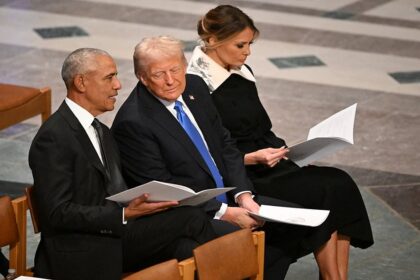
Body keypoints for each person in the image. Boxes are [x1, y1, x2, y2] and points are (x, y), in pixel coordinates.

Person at [112, 35, 331, 280]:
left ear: (184, 66)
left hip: (232, 196)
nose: (171, 80)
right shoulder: (133, 122)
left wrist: (244, 196)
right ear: (142, 77)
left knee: (302, 226)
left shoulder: (194, 86)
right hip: (195, 213)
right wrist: (224, 212)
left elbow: (225, 145)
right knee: (239, 244)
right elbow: (165, 189)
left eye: (175, 70)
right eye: (158, 74)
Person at [187, 4, 374, 280]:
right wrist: (252, 158)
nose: (247, 52)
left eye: (250, 44)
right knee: (322, 191)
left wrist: (289, 151)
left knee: (340, 183)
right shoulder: (195, 84)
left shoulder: (242, 71)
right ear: (213, 41)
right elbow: (205, 150)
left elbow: (258, 126)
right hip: (243, 174)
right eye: (240, 45)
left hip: (270, 162)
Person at [28, 48, 216, 280]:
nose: (118, 85)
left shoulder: (102, 131)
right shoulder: (54, 137)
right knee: (192, 218)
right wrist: (124, 213)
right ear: (81, 82)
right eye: (109, 78)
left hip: (115, 233)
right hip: (83, 247)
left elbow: (113, 188)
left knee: (187, 248)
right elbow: (57, 213)